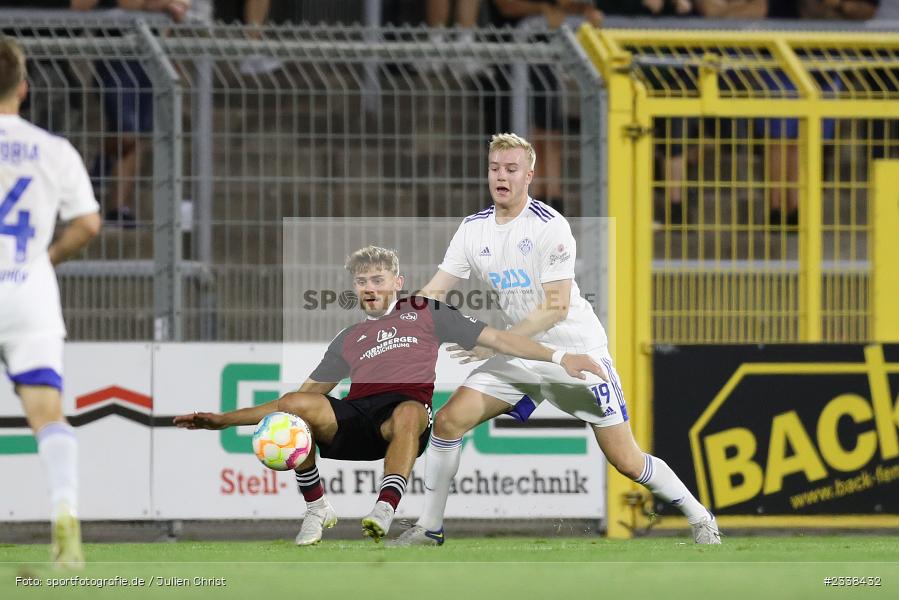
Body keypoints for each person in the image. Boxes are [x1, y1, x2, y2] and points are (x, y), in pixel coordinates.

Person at [392, 133, 720, 547]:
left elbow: (555, 308)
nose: (501, 177)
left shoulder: (550, 226)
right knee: (450, 419)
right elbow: (436, 290)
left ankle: (700, 516)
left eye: (511, 169)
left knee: (627, 460)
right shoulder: (473, 230)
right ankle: (430, 527)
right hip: (521, 354)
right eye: (495, 168)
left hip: (578, 356)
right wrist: (400, 317)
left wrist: (491, 341)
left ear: (530, 175)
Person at [174, 245, 604, 544]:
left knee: (410, 413)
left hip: (401, 418)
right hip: (355, 419)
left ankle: (385, 508)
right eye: (362, 281)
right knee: (294, 407)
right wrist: (221, 419)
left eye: (377, 278)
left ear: (396, 281)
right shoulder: (349, 337)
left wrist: (560, 355)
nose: (369, 287)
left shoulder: (424, 312)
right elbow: (302, 397)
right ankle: (317, 509)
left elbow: (501, 340)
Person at [0, 36, 102, 568]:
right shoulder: (52, 148)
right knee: (47, 414)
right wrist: (49, 258)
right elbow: (88, 221)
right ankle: (64, 509)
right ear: (24, 86)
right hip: (28, 291)